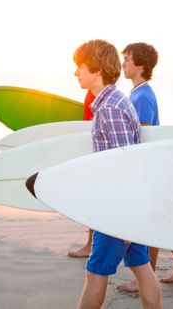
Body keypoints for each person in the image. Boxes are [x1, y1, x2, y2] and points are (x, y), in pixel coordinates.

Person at [73, 39, 162, 309]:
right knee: (143, 267)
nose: (76, 73)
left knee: (95, 271)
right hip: (124, 207)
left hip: (117, 209)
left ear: (96, 69)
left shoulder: (110, 108)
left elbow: (128, 164)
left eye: (80, 67)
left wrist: (124, 218)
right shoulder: (109, 103)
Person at [116, 42, 173, 294]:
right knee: (160, 220)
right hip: (153, 167)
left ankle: (144, 278)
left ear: (140, 64)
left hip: (150, 168)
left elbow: (143, 137)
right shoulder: (139, 93)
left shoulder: (142, 96)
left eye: (127, 59)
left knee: (149, 224)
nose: (123, 64)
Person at [67, 89, 95, 258]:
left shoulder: (96, 94)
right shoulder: (92, 93)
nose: (76, 73)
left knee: (93, 203)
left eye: (81, 67)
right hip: (91, 153)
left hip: (93, 154)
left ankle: (90, 246)